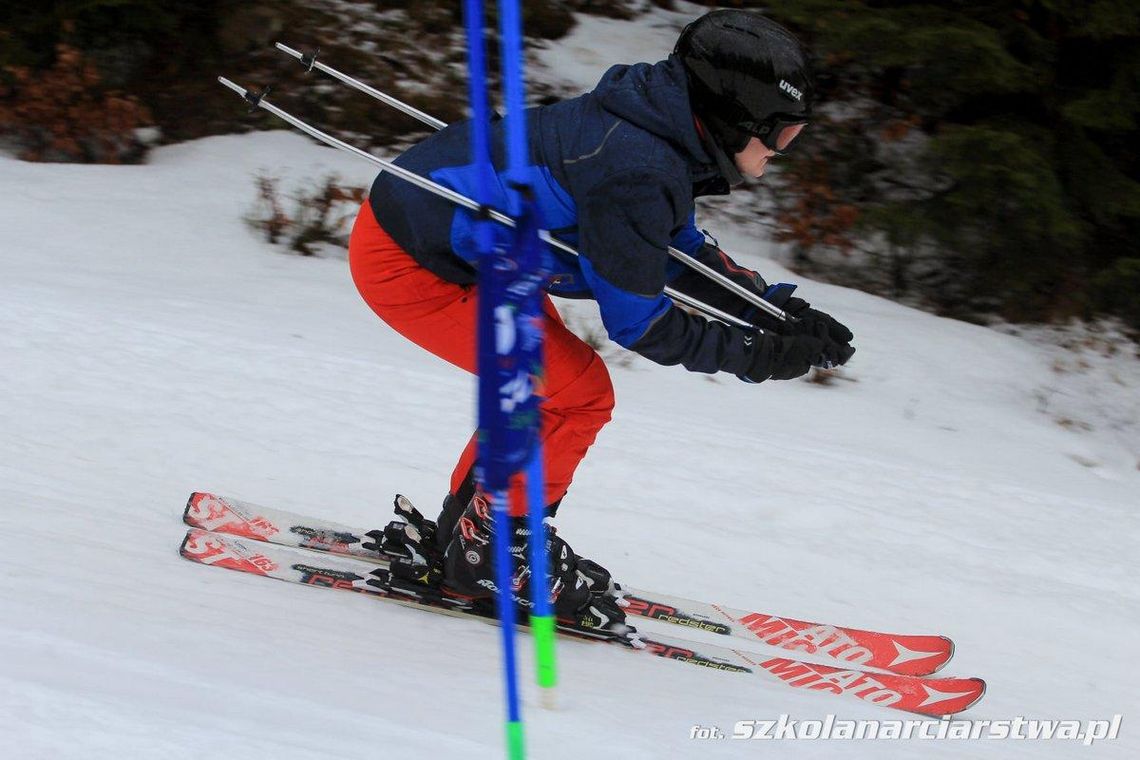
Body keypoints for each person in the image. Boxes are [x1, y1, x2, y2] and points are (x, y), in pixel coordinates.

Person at [348, 9, 855, 636]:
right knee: (576, 393)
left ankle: (474, 538)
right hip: (414, 263)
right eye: (781, 136)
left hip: (470, 251)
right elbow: (643, 324)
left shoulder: (653, 127)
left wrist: (772, 313)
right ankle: (493, 555)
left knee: (544, 390)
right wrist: (759, 355)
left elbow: (668, 250)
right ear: (737, 117)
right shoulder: (638, 167)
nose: (781, 153)